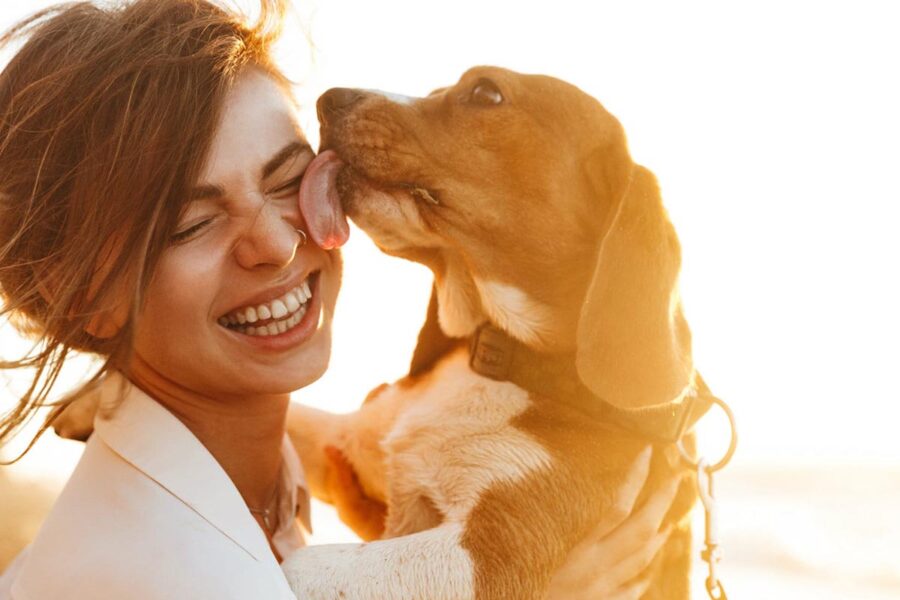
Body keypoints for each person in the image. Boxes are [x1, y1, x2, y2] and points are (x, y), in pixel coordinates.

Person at [0, 1, 679, 598]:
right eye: (191, 223)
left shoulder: (269, 480)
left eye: (290, 178)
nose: (273, 244)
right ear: (80, 298)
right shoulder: (142, 576)